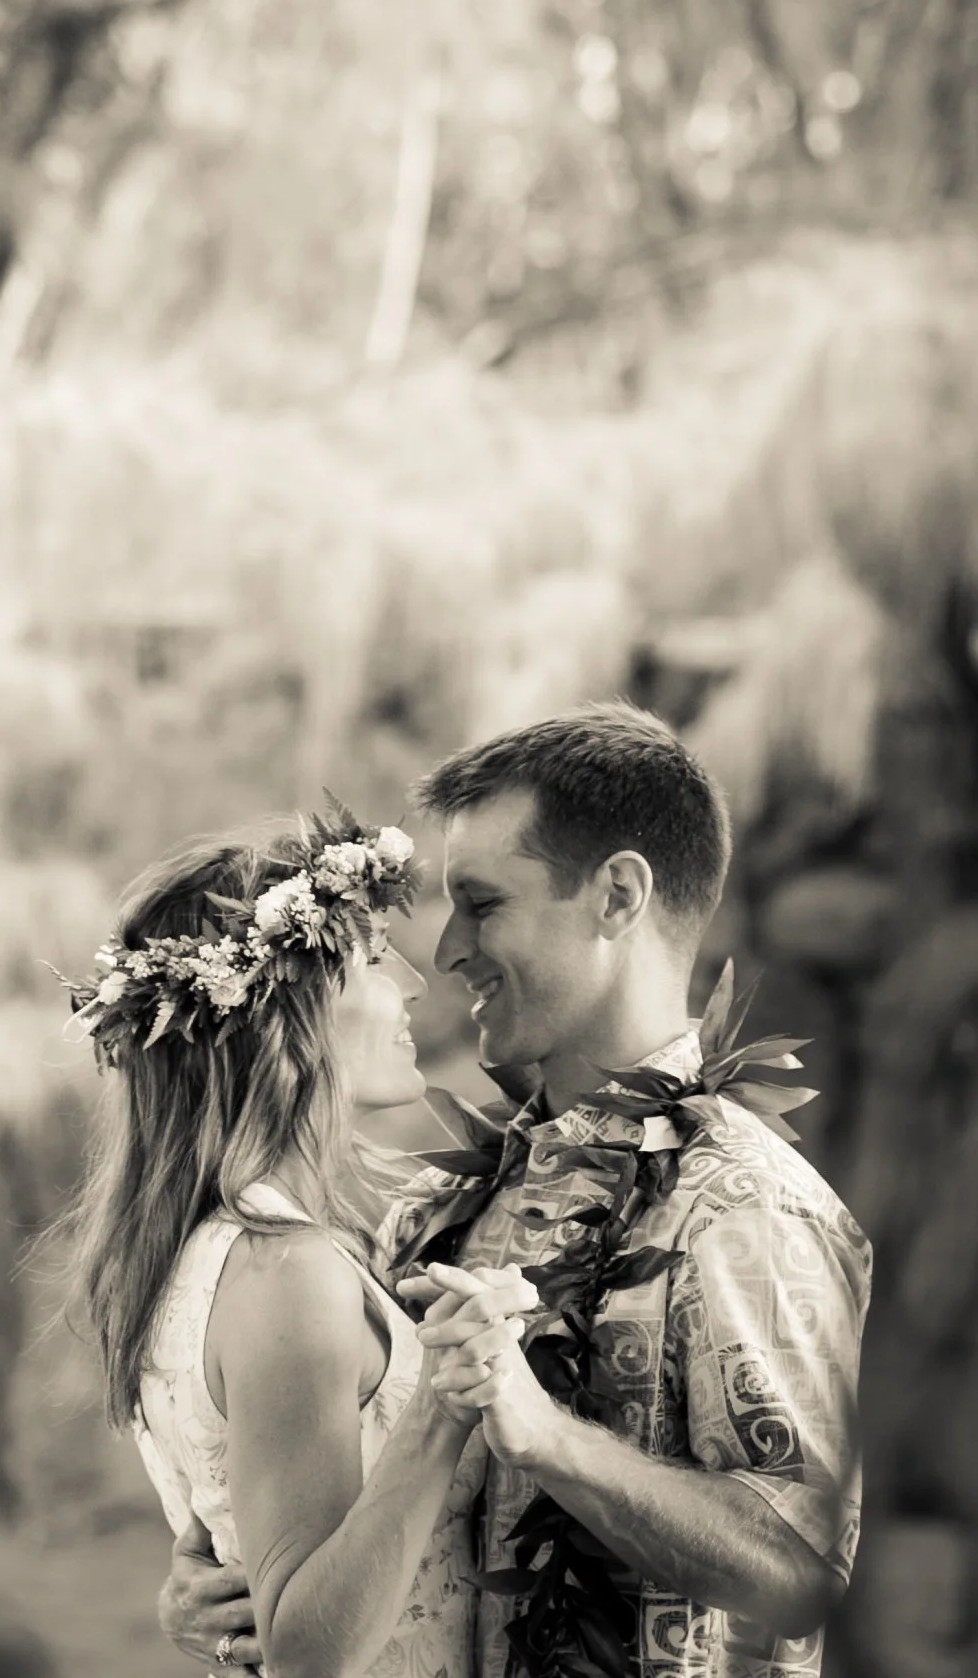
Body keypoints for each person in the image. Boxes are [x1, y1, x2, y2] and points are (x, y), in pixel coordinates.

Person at [160, 704, 871, 1678]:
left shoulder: (744, 1204)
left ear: (616, 895)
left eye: (482, 902)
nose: (445, 950)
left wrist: (546, 1438)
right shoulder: (430, 1211)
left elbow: (800, 1566)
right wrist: (221, 1578)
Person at [63, 806, 537, 1678]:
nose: (413, 982)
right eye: (370, 956)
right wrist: (443, 1402)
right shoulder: (284, 1271)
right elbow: (308, 1651)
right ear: (286, 1017)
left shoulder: (217, 1249)